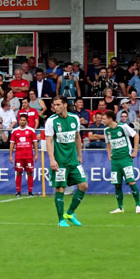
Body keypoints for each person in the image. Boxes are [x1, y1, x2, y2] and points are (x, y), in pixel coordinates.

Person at [45, 96, 88, 227]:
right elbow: (48, 141)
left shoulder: (74, 118)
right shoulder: (51, 121)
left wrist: (79, 155)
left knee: (83, 185)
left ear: (65, 105)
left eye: (58, 104)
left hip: (73, 160)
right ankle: (61, 220)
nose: (56, 107)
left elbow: (77, 137)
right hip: (60, 161)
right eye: (54, 105)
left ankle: (69, 213)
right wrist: (52, 159)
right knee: (60, 188)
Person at [103, 110, 140, 213]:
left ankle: (138, 205)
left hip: (125, 159)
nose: (103, 121)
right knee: (117, 184)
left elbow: (136, 135)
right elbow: (108, 143)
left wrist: (135, 151)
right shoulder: (106, 130)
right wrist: (109, 155)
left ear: (110, 119)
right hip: (115, 161)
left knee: (131, 181)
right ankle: (120, 207)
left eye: (104, 119)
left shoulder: (123, 127)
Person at [10, 113, 38, 197]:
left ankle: (30, 192)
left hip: (29, 156)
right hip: (19, 156)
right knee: (18, 172)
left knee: (29, 173)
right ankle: (18, 191)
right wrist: (10, 155)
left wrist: (36, 154)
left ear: (26, 121)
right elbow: (12, 143)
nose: (22, 122)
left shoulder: (31, 130)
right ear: (19, 120)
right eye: (21, 120)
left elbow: (35, 143)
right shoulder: (15, 131)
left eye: (24, 120)